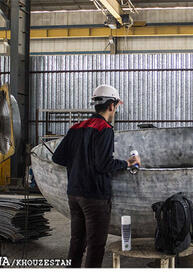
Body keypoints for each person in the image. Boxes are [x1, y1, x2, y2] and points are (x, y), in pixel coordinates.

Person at [52, 84, 140, 268]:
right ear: (111, 105)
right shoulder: (105, 128)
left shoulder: (76, 127)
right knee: (96, 245)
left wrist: (79, 164)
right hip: (94, 197)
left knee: (77, 241)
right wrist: (128, 163)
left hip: (74, 194)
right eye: (116, 106)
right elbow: (103, 165)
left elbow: (57, 157)